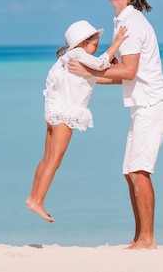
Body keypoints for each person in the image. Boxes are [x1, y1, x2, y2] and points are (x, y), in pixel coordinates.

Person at [68, 0, 163, 249]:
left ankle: (148, 240)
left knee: (139, 170)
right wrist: (88, 76)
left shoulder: (133, 23)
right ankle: (139, 237)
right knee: (130, 171)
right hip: (143, 104)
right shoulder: (123, 21)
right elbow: (125, 76)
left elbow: (127, 72)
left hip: (153, 103)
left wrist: (88, 74)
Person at [26, 20, 128, 223]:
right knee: (55, 160)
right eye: (95, 44)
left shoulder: (73, 60)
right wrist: (116, 43)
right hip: (65, 113)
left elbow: (98, 76)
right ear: (82, 43)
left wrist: (123, 74)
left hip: (55, 111)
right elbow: (100, 64)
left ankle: (33, 196)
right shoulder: (78, 54)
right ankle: (37, 201)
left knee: (47, 158)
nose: (97, 48)